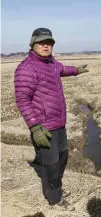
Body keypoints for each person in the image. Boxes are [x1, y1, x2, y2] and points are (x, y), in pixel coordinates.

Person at [14, 27, 89, 209]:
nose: (46, 46)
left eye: (49, 43)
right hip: (44, 127)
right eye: (42, 42)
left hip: (59, 123)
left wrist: (76, 70)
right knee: (51, 164)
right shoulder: (26, 68)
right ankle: (55, 198)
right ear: (33, 45)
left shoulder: (51, 64)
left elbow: (63, 69)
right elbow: (22, 100)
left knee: (62, 158)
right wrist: (35, 127)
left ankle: (55, 187)